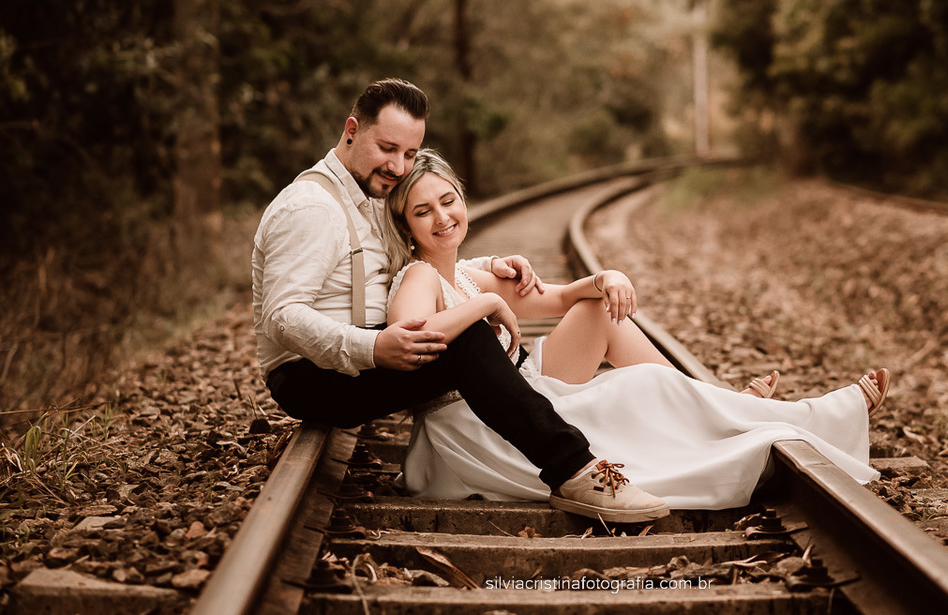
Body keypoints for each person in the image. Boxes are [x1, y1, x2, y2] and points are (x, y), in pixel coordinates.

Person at [252, 78, 669, 522]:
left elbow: (414, 252)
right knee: (466, 335)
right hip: (312, 374)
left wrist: (488, 269)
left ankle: (680, 411)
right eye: (388, 148)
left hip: (361, 350)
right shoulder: (311, 208)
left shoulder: (369, 193)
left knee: (461, 327)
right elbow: (282, 315)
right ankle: (573, 470)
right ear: (352, 130)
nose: (397, 166)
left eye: (410, 154)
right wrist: (372, 347)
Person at [384, 150, 890, 510]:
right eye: (423, 211)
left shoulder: (472, 272)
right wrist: (490, 303)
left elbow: (559, 299)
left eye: (448, 201)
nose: (443, 217)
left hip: (520, 389)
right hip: (475, 425)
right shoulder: (419, 275)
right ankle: (794, 414)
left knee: (600, 310)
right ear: (407, 227)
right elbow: (407, 333)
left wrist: (607, 277)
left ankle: (714, 403)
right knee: (641, 388)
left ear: (463, 200)